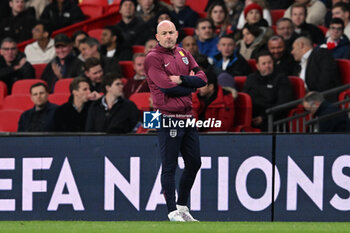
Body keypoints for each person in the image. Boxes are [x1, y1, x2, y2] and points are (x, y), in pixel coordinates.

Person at [144, 20, 207, 221]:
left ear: (177, 34)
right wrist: (191, 84)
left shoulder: (184, 53)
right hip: (166, 117)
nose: (168, 36)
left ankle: (182, 207)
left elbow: (203, 78)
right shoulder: (152, 58)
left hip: (188, 117)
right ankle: (171, 211)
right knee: (169, 165)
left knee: (195, 163)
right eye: (164, 33)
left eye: (171, 32)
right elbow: (166, 87)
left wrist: (181, 80)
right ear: (158, 37)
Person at [242, 51, 294, 131]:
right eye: (264, 64)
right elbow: (245, 98)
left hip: (273, 118)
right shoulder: (251, 78)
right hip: (251, 116)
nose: (267, 66)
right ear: (257, 66)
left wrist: (263, 117)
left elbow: (283, 103)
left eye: (269, 63)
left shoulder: (281, 78)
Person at [291, 36, 341, 101]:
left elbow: (326, 81)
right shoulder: (298, 64)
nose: (292, 52)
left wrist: (311, 96)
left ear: (301, 45)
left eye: (293, 48)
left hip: (322, 99)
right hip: (303, 100)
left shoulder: (321, 53)